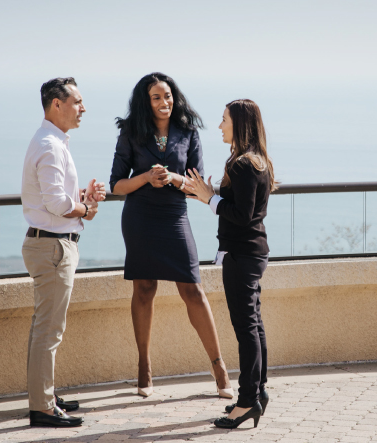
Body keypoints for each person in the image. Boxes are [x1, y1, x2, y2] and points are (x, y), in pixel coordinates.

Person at [109, 72, 232, 398]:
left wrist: (174, 178)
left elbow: (197, 186)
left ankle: (219, 367)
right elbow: (117, 185)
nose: (164, 103)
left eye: (167, 96)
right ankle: (144, 366)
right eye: (156, 98)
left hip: (174, 218)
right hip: (139, 218)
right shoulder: (131, 133)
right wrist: (147, 177)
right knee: (144, 289)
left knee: (193, 291)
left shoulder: (188, 132)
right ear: (145, 103)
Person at [186, 99, 278, 429]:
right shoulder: (255, 162)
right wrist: (209, 194)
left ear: (239, 124)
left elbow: (242, 215)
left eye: (224, 119)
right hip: (251, 253)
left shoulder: (242, 164)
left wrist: (209, 198)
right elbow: (244, 206)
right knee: (253, 326)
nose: (220, 125)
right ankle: (258, 394)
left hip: (242, 255)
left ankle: (247, 401)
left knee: (246, 329)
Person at [21, 77, 106, 427]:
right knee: (49, 330)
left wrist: (83, 200)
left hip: (48, 243)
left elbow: (55, 199)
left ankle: (45, 396)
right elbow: (56, 203)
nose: (83, 108)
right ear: (57, 104)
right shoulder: (51, 145)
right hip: (53, 246)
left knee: (44, 327)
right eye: (78, 101)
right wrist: (85, 209)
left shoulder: (50, 141)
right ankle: (42, 407)